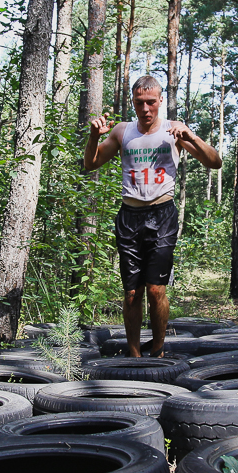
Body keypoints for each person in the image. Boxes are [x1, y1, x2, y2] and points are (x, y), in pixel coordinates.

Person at [84, 75, 222, 357]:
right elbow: (91, 163)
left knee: (156, 290)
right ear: (133, 102)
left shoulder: (174, 130)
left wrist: (191, 137)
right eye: (139, 103)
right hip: (129, 217)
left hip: (162, 215)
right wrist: (94, 136)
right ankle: (134, 356)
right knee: (132, 292)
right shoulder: (122, 131)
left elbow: (215, 162)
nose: (145, 108)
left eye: (150, 102)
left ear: (160, 101)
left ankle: (158, 349)